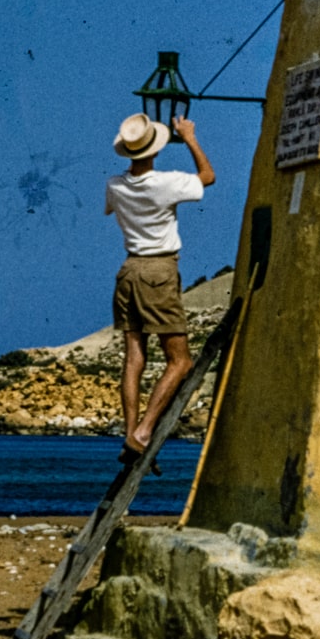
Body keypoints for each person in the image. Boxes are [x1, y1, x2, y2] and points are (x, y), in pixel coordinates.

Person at [105, 110, 215, 458]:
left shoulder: (115, 185)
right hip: (159, 271)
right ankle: (145, 430)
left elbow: (114, 207)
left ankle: (130, 430)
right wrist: (190, 136)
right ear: (153, 150)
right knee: (180, 361)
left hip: (128, 270)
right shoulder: (165, 183)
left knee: (134, 356)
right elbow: (208, 177)